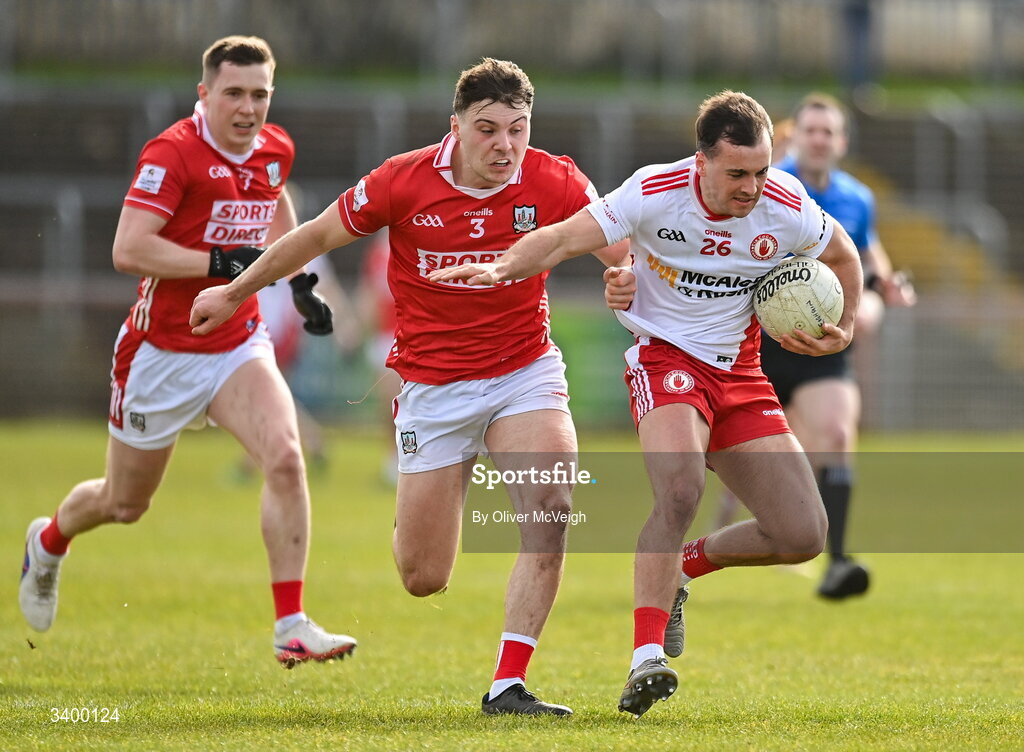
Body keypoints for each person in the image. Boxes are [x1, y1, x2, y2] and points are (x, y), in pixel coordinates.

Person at [189, 58, 630, 716]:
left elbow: (619, 247)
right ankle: (432, 488)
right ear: (455, 125)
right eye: (487, 129)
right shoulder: (403, 181)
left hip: (524, 372)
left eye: (517, 129)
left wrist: (622, 278)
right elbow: (313, 237)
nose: (505, 146)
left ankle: (508, 683)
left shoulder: (556, 179)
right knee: (424, 577)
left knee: (554, 506)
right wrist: (232, 291)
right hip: (433, 389)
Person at [427, 90, 863, 718]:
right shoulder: (653, 192)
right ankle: (645, 659)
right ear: (701, 162)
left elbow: (843, 255)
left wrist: (842, 327)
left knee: (803, 534)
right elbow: (559, 239)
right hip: (665, 362)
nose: (752, 187)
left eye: (763, 170)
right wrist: (500, 269)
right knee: (680, 489)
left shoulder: (784, 205)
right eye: (737, 173)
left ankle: (681, 568)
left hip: (739, 376)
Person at [17, 36, 357, 668]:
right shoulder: (172, 154)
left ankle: (291, 624)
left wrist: (302, 285)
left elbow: (275, 206)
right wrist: (224, 263)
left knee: (285, 457)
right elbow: (129, 250)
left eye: (260, 94)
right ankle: (49, 540)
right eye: (234, 92)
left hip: (236, 343)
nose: (248, 107)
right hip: (161, 352)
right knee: (125, 504)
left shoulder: (275, 148)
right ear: (205, 95)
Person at [714, 93, 916, 599]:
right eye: (812, 130)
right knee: (742, 466)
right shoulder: (765, 184)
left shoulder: (857, 198)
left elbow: (865, 251)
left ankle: (838, 561)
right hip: (761, 340)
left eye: (830, 132)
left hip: (825, 339)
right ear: (795, 136)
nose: (820, 139)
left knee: (835, 433)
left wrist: (883, 288)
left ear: (842, 142)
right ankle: (701, 553)